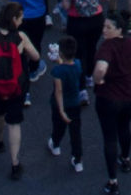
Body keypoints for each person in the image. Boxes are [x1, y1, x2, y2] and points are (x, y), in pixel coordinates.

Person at [0, 1, 40, 180]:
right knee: (14, 123)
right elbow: (36, 56)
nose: (22, 20)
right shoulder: (21, 37)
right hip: (17, 86)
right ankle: (15, 163)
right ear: (14, 19)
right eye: (20, 17)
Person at [93, 12, 131, 194]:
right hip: (129, 95)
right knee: (124, 128)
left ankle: (113, 181)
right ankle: (125, 158)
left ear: (119, 29)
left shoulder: (106, 47)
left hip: (108, 98)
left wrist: (97, 79)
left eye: (108, 27)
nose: (104, 30)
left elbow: (101, 67)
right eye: (104, 26)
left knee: (109, 137)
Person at [47, 35, 86, 173]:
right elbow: (69, 65)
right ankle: (77, 159)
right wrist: (60, 60)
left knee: (58, 126)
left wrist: (61, 109)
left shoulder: (57, 71)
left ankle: (56, 145)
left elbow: (59, 90)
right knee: (76, 132)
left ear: (61, 53)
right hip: (75, 104)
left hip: (61, 105)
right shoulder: (78, 64)